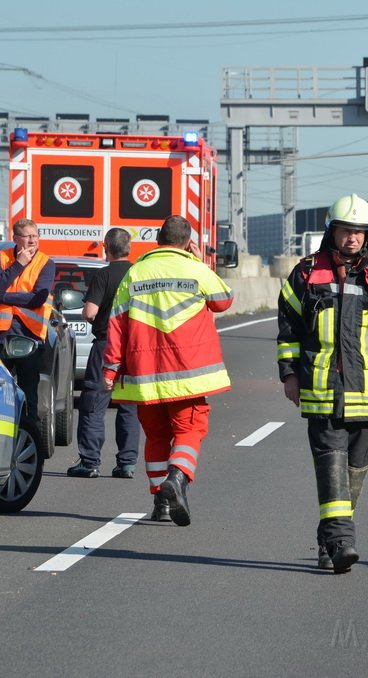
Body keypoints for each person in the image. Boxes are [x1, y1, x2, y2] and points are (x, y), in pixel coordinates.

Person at [277, 193, 368, 573]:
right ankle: (342, 543)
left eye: (359, 232)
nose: (352, 239)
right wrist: (289, 374)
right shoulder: (306, 273)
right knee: (331, 467)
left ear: (366, 235)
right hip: (322, 391)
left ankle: (329, 538)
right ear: (332, 231)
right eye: (346, 231)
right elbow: (288, 329)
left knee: (354, 473)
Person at [103, 215, 233, 525]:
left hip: (145, 375)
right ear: (188, 243)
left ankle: (161, 503)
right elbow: (224, 301)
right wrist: (200, 263)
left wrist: (110, 370)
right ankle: (177, 477)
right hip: (188, 374)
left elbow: (116, 325)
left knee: (157, 436)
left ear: (158, 240)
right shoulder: (195, 269)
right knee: (189, 430)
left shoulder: (136, 272)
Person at [67, 228, 142, 480]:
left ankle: (90, 461)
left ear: (106, 246)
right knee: (129, 404)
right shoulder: (138, 274)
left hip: (107, 344)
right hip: (134, 346)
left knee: (94, 403)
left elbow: (89, 312)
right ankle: (127, 463)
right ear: (129, 248)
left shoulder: (103, 275)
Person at [0, 219, 55, 423]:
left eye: (35, 235)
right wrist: (19, 264)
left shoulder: (46, 263)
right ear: (15, 239)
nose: (33, 240)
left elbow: (37, 298)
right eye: (27, 236)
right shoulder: (2, 257)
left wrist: (1, 299)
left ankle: (29, 439)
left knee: (28, 397)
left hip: (28, 337)